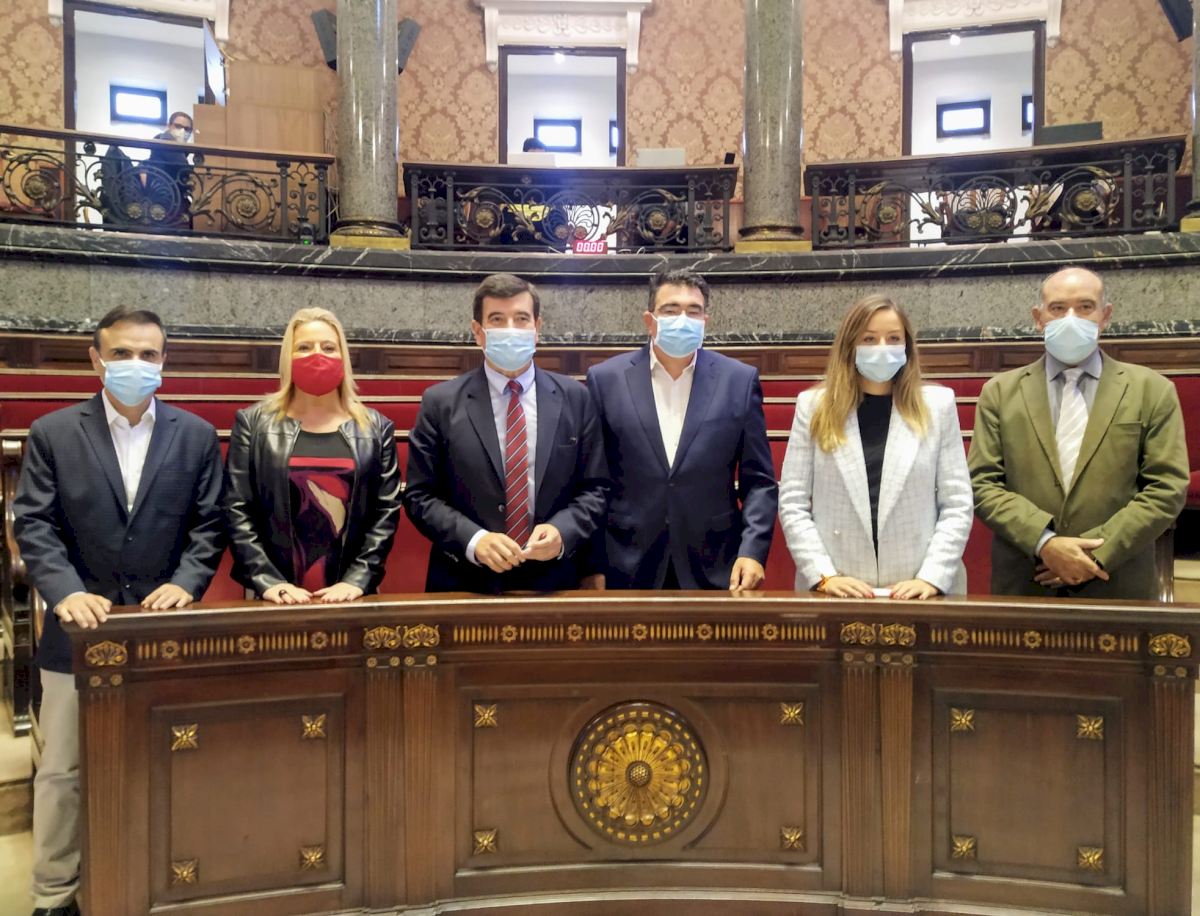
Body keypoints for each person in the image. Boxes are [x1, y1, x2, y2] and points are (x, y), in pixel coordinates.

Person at [13, 306, 225, 916]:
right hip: (77, 631)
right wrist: (65, 592)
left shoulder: (194, 435)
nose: (136, 364)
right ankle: (55, 893)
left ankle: (157, 878)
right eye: (122, 353)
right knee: (64, 771)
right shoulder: (53, 432)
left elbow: (209, 525)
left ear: (165, 361)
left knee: (167, 758)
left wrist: (187, 582)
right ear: (96, 359)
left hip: (163, 629)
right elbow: (34, 524)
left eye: (149, 354)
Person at [969, 266, 1189, 599]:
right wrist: (1045, 543)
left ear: (1105, 316)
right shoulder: (999, 392)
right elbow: (982, 483)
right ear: (1038, 318)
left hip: (1116, 582)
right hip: (1027, 582)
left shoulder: (1153, 390)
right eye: (1058, 308)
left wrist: (1093, 554)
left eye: (1085, 307)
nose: (1071, 318)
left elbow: (1167, 488)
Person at [405, 273, 608, 592]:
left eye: (521, 318)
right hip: (465, 581)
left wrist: (563, 531)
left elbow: (596, 488)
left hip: (554, 582)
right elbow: (420, 496)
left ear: (537, 328)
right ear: (478, 332)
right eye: (497, 319)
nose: (510, 329)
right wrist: (474, 540)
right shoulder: (440, 402)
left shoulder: (575, 398)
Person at [585, 268, 777, 590]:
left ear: (705, 321)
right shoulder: (605, 380)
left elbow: (759, 481)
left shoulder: (739, 381)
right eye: (671, 310)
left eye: (693, 311)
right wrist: (590, 564)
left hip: (715, 563)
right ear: (649, 321)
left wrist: (753, 551)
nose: (683, 319)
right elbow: (592, 481)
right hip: (627, 562)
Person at [778, 295, 973, 598]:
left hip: (919, 586)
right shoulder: (813, 406)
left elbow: (957, 503)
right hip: (837, 586)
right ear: (850, 345)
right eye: (869, 339)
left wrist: (932, 577)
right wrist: (823, 575)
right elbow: (793, 502)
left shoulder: (938, 405)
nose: (882, 348)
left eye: (893, 338)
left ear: (906, 346)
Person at [224, 308, 402, 604]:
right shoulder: (253, 424)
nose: (317, 355)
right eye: (304, 347)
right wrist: (268, 582)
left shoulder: (376, 428)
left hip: (350, 596)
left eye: (328, 347)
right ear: (287, 358)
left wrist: (357, 580)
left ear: (343, 357)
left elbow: (385, 513)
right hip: (276, 596)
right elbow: (237, 508)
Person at [146, 110, 194, 226]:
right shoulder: (166, 140)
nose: (182, 131)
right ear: (169, 126)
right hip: (165, 200)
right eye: (178, 126)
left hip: (168, 197)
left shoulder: (178, 147)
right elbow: (184, 167)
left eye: (187, 129)